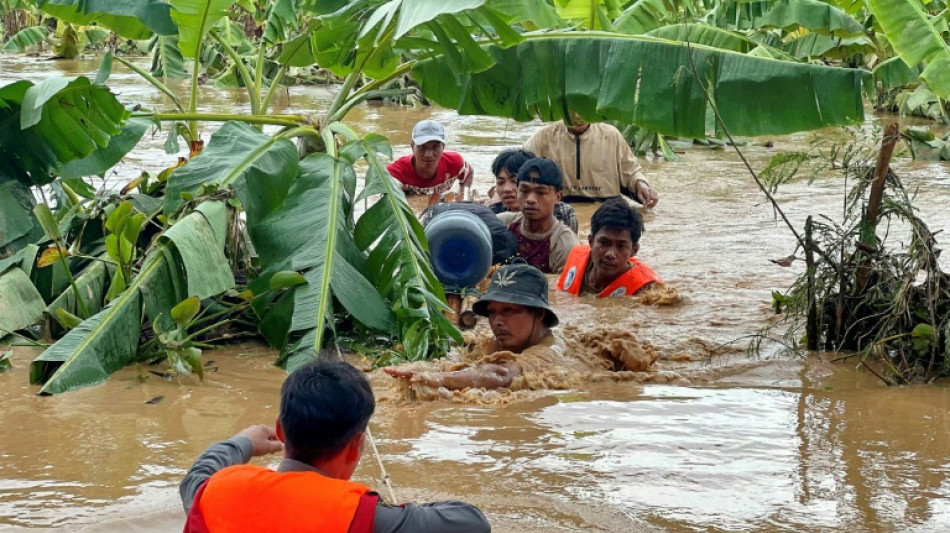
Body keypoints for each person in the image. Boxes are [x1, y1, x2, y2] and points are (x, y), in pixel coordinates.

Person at [180, 361, 490, 533]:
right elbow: (473, 523)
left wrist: (244, 441)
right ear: (357, 446)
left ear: (279, 430)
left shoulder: (215, 492)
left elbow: (200, 472)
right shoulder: (362, 514)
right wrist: (399, 513)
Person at [385, 261, 561, 390]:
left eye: (508, 310)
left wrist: (439, 378)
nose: (497, 321)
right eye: (492, 312)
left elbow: (501, 375)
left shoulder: (546, 353)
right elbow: (468, 343)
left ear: (538, 314)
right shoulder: (501, 340)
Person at [523, 113, 659, 207]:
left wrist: (642, 185)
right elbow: (518, 171)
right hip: (560, 207)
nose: (578, 116)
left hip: (608, 207)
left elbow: (631, 171)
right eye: (573, 109)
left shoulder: (611, 135)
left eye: (584, 109)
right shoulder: (542, 137)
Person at [557, 197, 662, 297]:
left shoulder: (646, 288)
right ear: (591, 241)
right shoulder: (576, 255)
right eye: (604, 243)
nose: (610, 254)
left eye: (621, 246)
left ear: (634, 250)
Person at [497, 157, 579, 274]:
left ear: (558, 197)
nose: (530, 199)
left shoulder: (564, 244)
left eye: (541, 193)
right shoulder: (503, 224)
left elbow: (561, 290)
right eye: (524, 191)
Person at [487, 148, 578, 233]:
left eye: (514, 181)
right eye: (500, 182)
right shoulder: (492, 214)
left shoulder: (562, 213)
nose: (507, 189)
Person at [387, 119, 473, 199]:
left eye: (435, 147)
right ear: (412, 146)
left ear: (443, 147)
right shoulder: (396, 172)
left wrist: (464, 194)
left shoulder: (455, 162)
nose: (428, 154)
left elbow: (469, 171)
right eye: (422, 147)